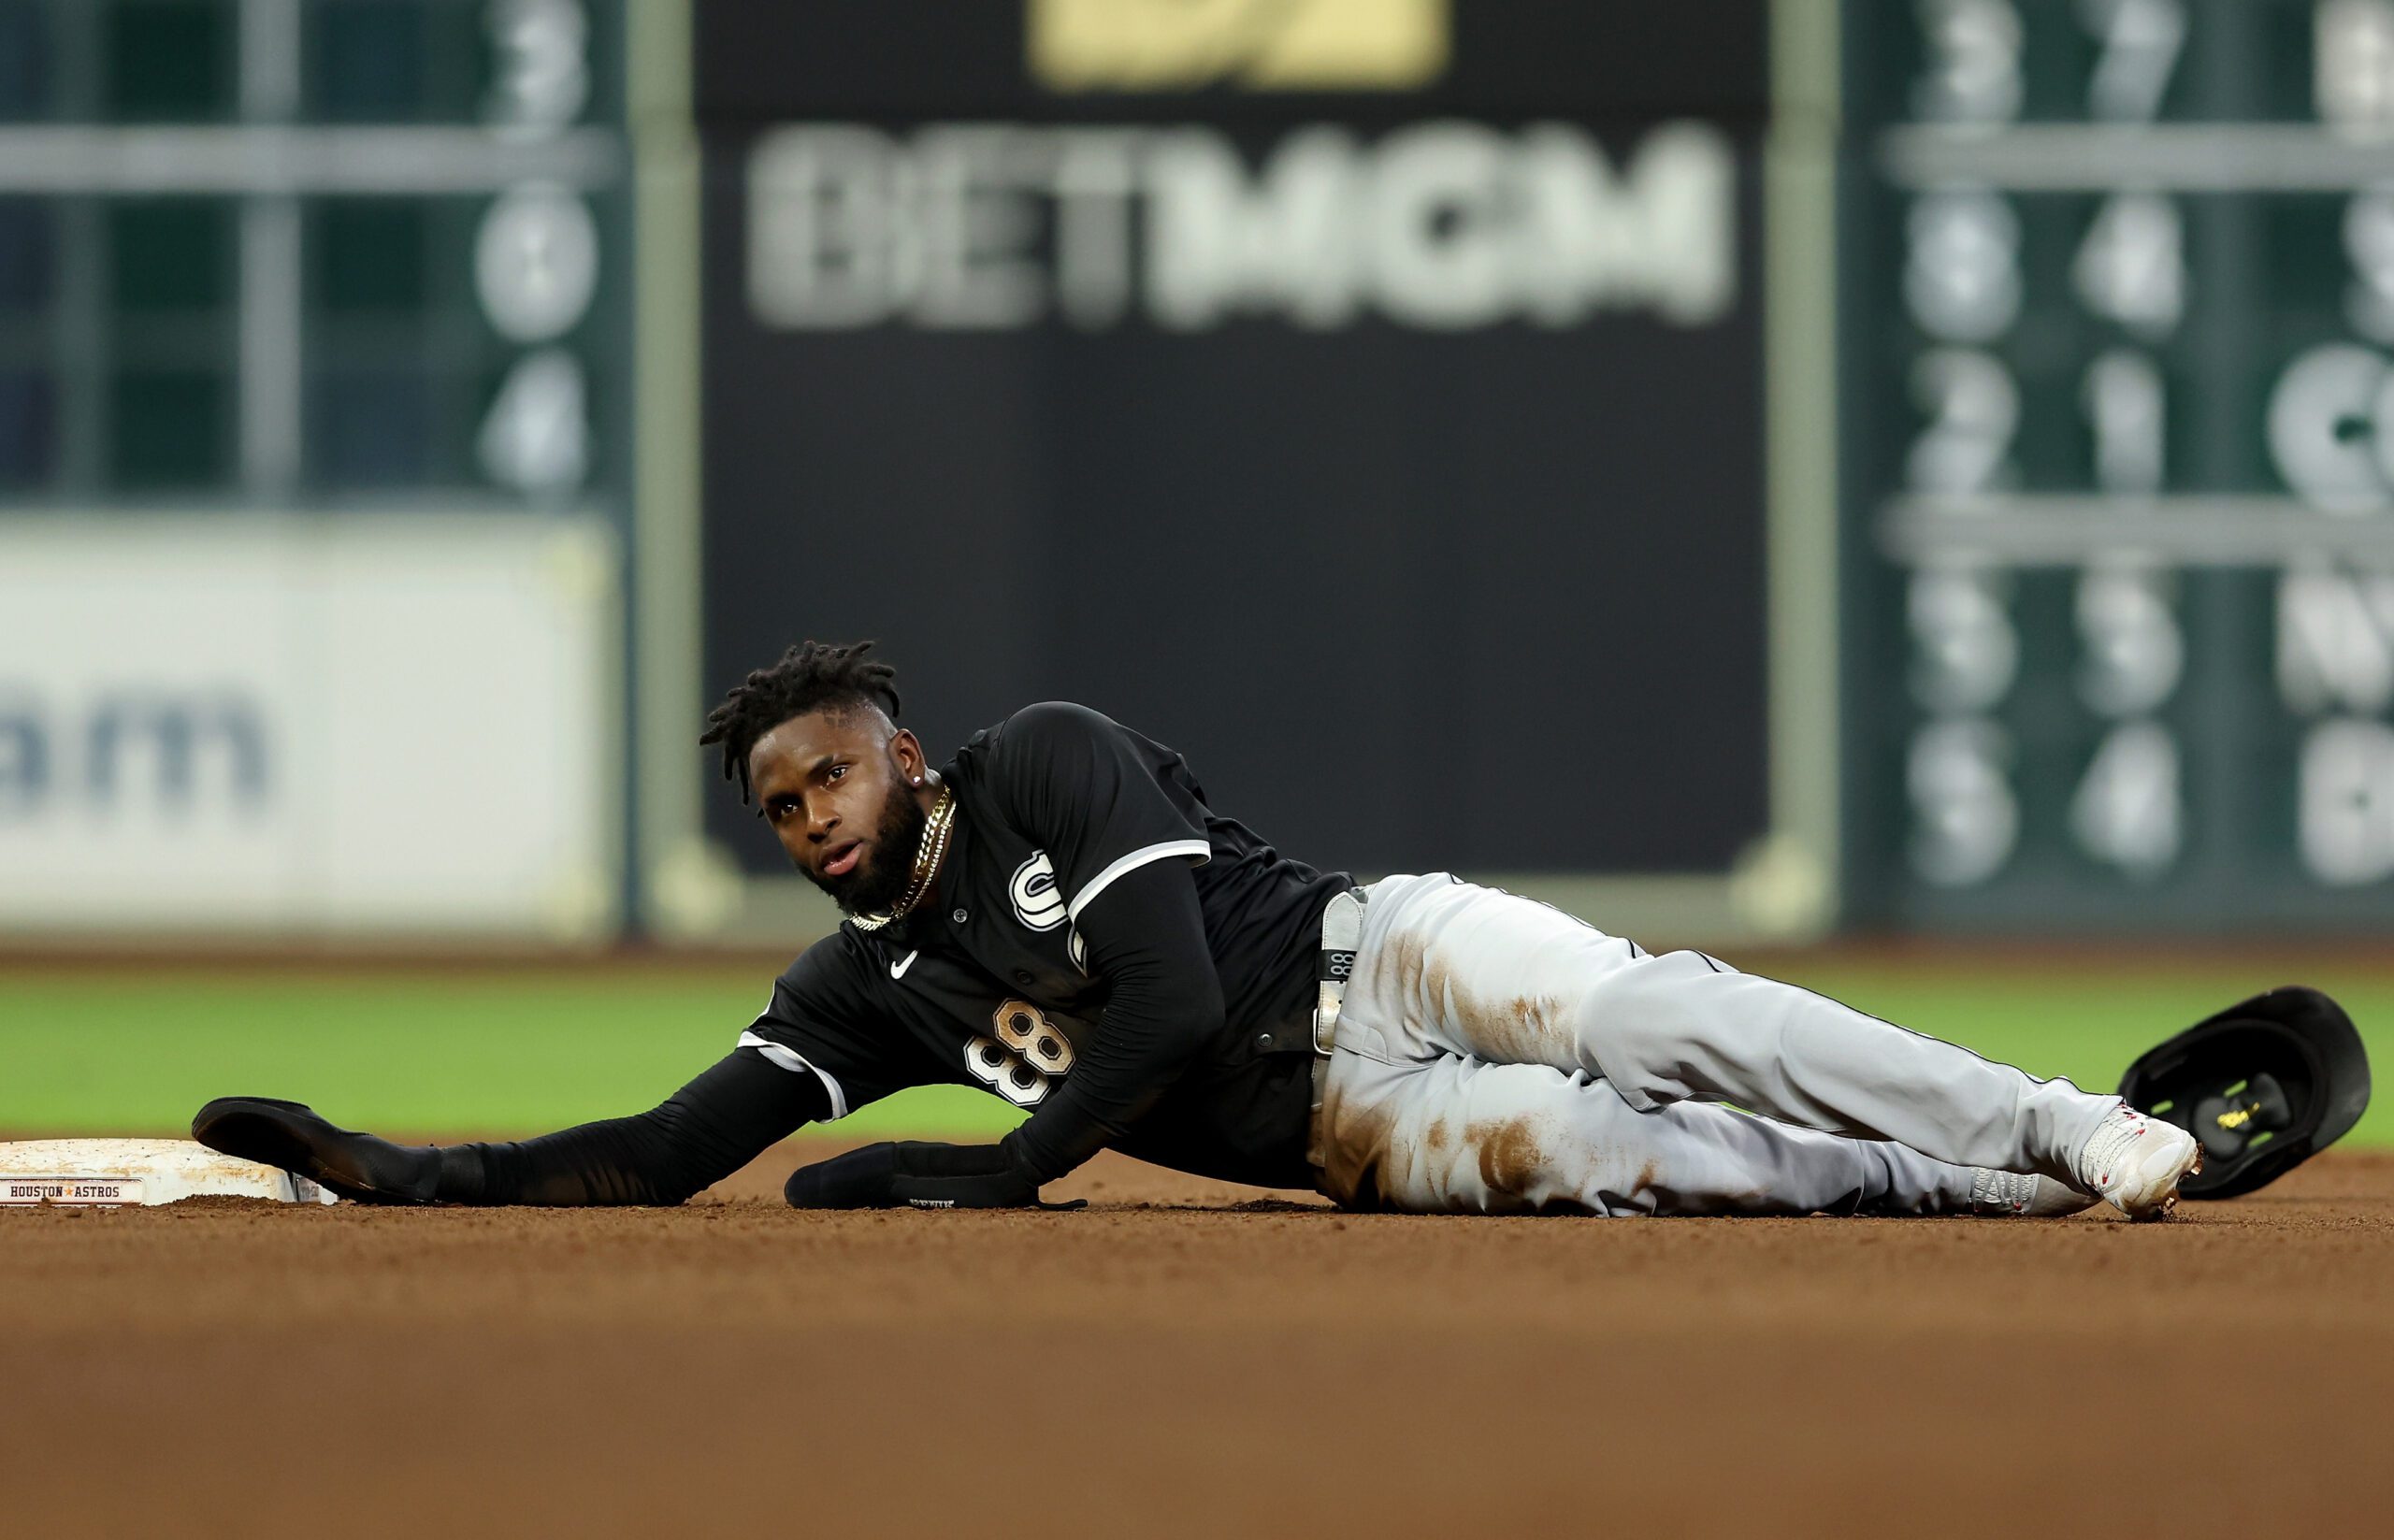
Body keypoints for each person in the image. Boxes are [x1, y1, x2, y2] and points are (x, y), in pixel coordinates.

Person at [195, 640, 2203, 1220]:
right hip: (1341, 1137)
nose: (809, 816)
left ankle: (2053, 1117)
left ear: (899, 751)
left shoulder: (1048, 759)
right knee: (1628, 1157)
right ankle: (2004, 1200)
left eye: (827, 774)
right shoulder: (862, 984)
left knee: (1659, 1015)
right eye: (779, 805)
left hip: (1376, 953)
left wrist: (1010, 1169)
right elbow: (659, 1150)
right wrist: (389, 1170)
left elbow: (1155, 996)